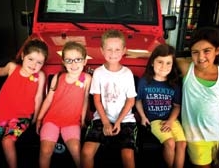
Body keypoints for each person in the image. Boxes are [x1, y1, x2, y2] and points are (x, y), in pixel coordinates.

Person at [81, 29, 137, 168]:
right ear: (102, 50)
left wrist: (118, 121)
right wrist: (106, 122)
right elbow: (96, 100)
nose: (113, 54)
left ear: (124, 50)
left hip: (125, 120)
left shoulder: (127, 73)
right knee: (86, 152)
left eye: (117, 49)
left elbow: (131, 100)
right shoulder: (99, 73)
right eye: (109, 49)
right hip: (101, 118)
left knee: (128, 156)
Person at [176, 27, 219, 168]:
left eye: (207, 51)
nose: (201, 58)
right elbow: (160, 54)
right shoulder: (186, 67)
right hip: (196, 138)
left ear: (217, 50)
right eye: (195, 52)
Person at [0, 39, 48, 168]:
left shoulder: (40, 76)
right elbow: (0, 71)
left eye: (39, 62)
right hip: (1, 115)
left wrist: (35, 117)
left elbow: (38, 97)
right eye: (31, 59)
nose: (34, 65)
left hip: (21, 118)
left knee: (7, 141)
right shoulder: (12, 68)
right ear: (23, 56)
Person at [36, 41, 91, 168]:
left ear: (84, 61)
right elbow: (49, 98)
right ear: (63, 62)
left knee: (76, 150)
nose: (74, 64)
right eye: (69, 60)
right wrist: (39, 118)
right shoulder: (58, 76)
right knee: (45, 150)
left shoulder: (86, 78)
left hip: (72, 121)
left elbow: (85, 100)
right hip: (51, 119)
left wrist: (82, 120)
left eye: (78, 59)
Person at [135, 44, 186, 168]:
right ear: (152, 62)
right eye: (160, 62)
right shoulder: (144, 81)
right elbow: (138, 101)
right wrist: (142, 116)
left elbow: (176, 106)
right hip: (154, 120)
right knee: (170, 142)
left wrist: (170, 121)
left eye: (168, 63)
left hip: (171, 119)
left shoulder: (173, 83)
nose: (164, 66)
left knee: (182, 144)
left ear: (172, 65)